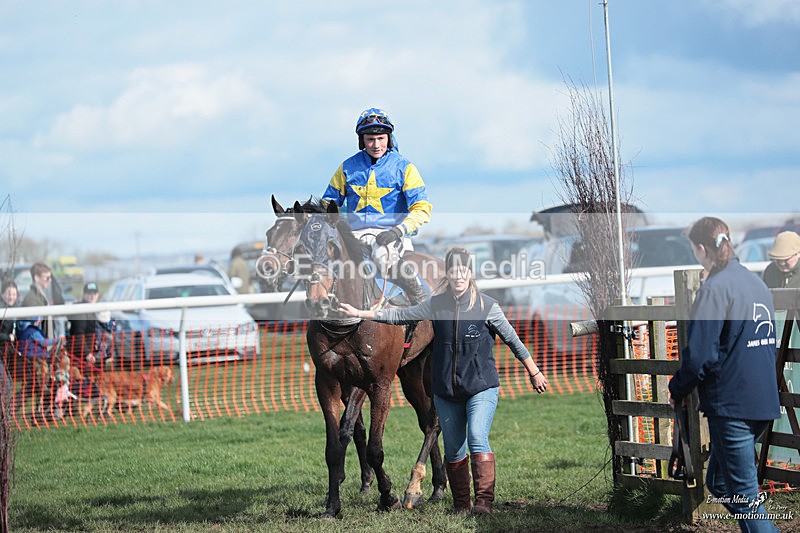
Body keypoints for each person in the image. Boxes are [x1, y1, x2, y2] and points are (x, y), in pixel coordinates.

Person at [338, 247, 549, 514]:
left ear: (470, 273)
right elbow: (400, 315)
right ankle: (461, 504)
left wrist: (534, 371)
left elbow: (513, 340)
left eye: (463, 270)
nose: (458, 276)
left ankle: (483, 502)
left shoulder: (487, 306)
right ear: (447, 274)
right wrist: (362, 313)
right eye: (453, 271)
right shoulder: (436, 305)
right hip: (447, 391)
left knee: (476, 438)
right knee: (453, 449)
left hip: (481, 387)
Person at [669, 217, 780, 533]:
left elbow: (699, 356)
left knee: (745, 496)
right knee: (718, 482)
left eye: (694, 249)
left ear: (702, 249)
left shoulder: (715, 290)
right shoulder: (756, 284)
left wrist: (678, 387)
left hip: (733, 405)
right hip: (762, 402)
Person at [322, 107, 432, 304]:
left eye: (381, 138)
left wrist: (398, 231)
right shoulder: (347, 167)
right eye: (370, 139)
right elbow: (327, 205)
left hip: (389, 235)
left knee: (383, 258)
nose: (376, 145)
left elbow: (421, 209)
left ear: (389, 138)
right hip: (354, 235)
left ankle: (422, 302)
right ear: (362, 140)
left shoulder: (405, 167)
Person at [68, 282, 114, 375]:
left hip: (96, 356)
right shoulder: (80, 311)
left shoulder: (96, 310)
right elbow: (78, 335)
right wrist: (87, 353)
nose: (92, 296)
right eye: (89, 293)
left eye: (94, 294)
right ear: (84, 294)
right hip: (83, 358)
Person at [21, 262, 55, 338]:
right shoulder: (32, 299)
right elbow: (32, 329)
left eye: (50, 277)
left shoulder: (41, 295)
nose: (50, 280)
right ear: (36, 278)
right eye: (47, 278)